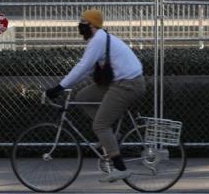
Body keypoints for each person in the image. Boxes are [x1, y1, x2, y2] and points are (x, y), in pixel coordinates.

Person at [44, 9, 145, 183]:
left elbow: (82, 67)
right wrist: (65, 86)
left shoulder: (98, 40)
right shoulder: (99, 39)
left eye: (83, 22)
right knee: (83, 96)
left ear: (92, 24)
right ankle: (110, 135)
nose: (80, 25)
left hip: (127, 84)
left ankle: (120, 168)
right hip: (120, 82)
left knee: (99, 125)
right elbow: (87, 70)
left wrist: (59, 87)